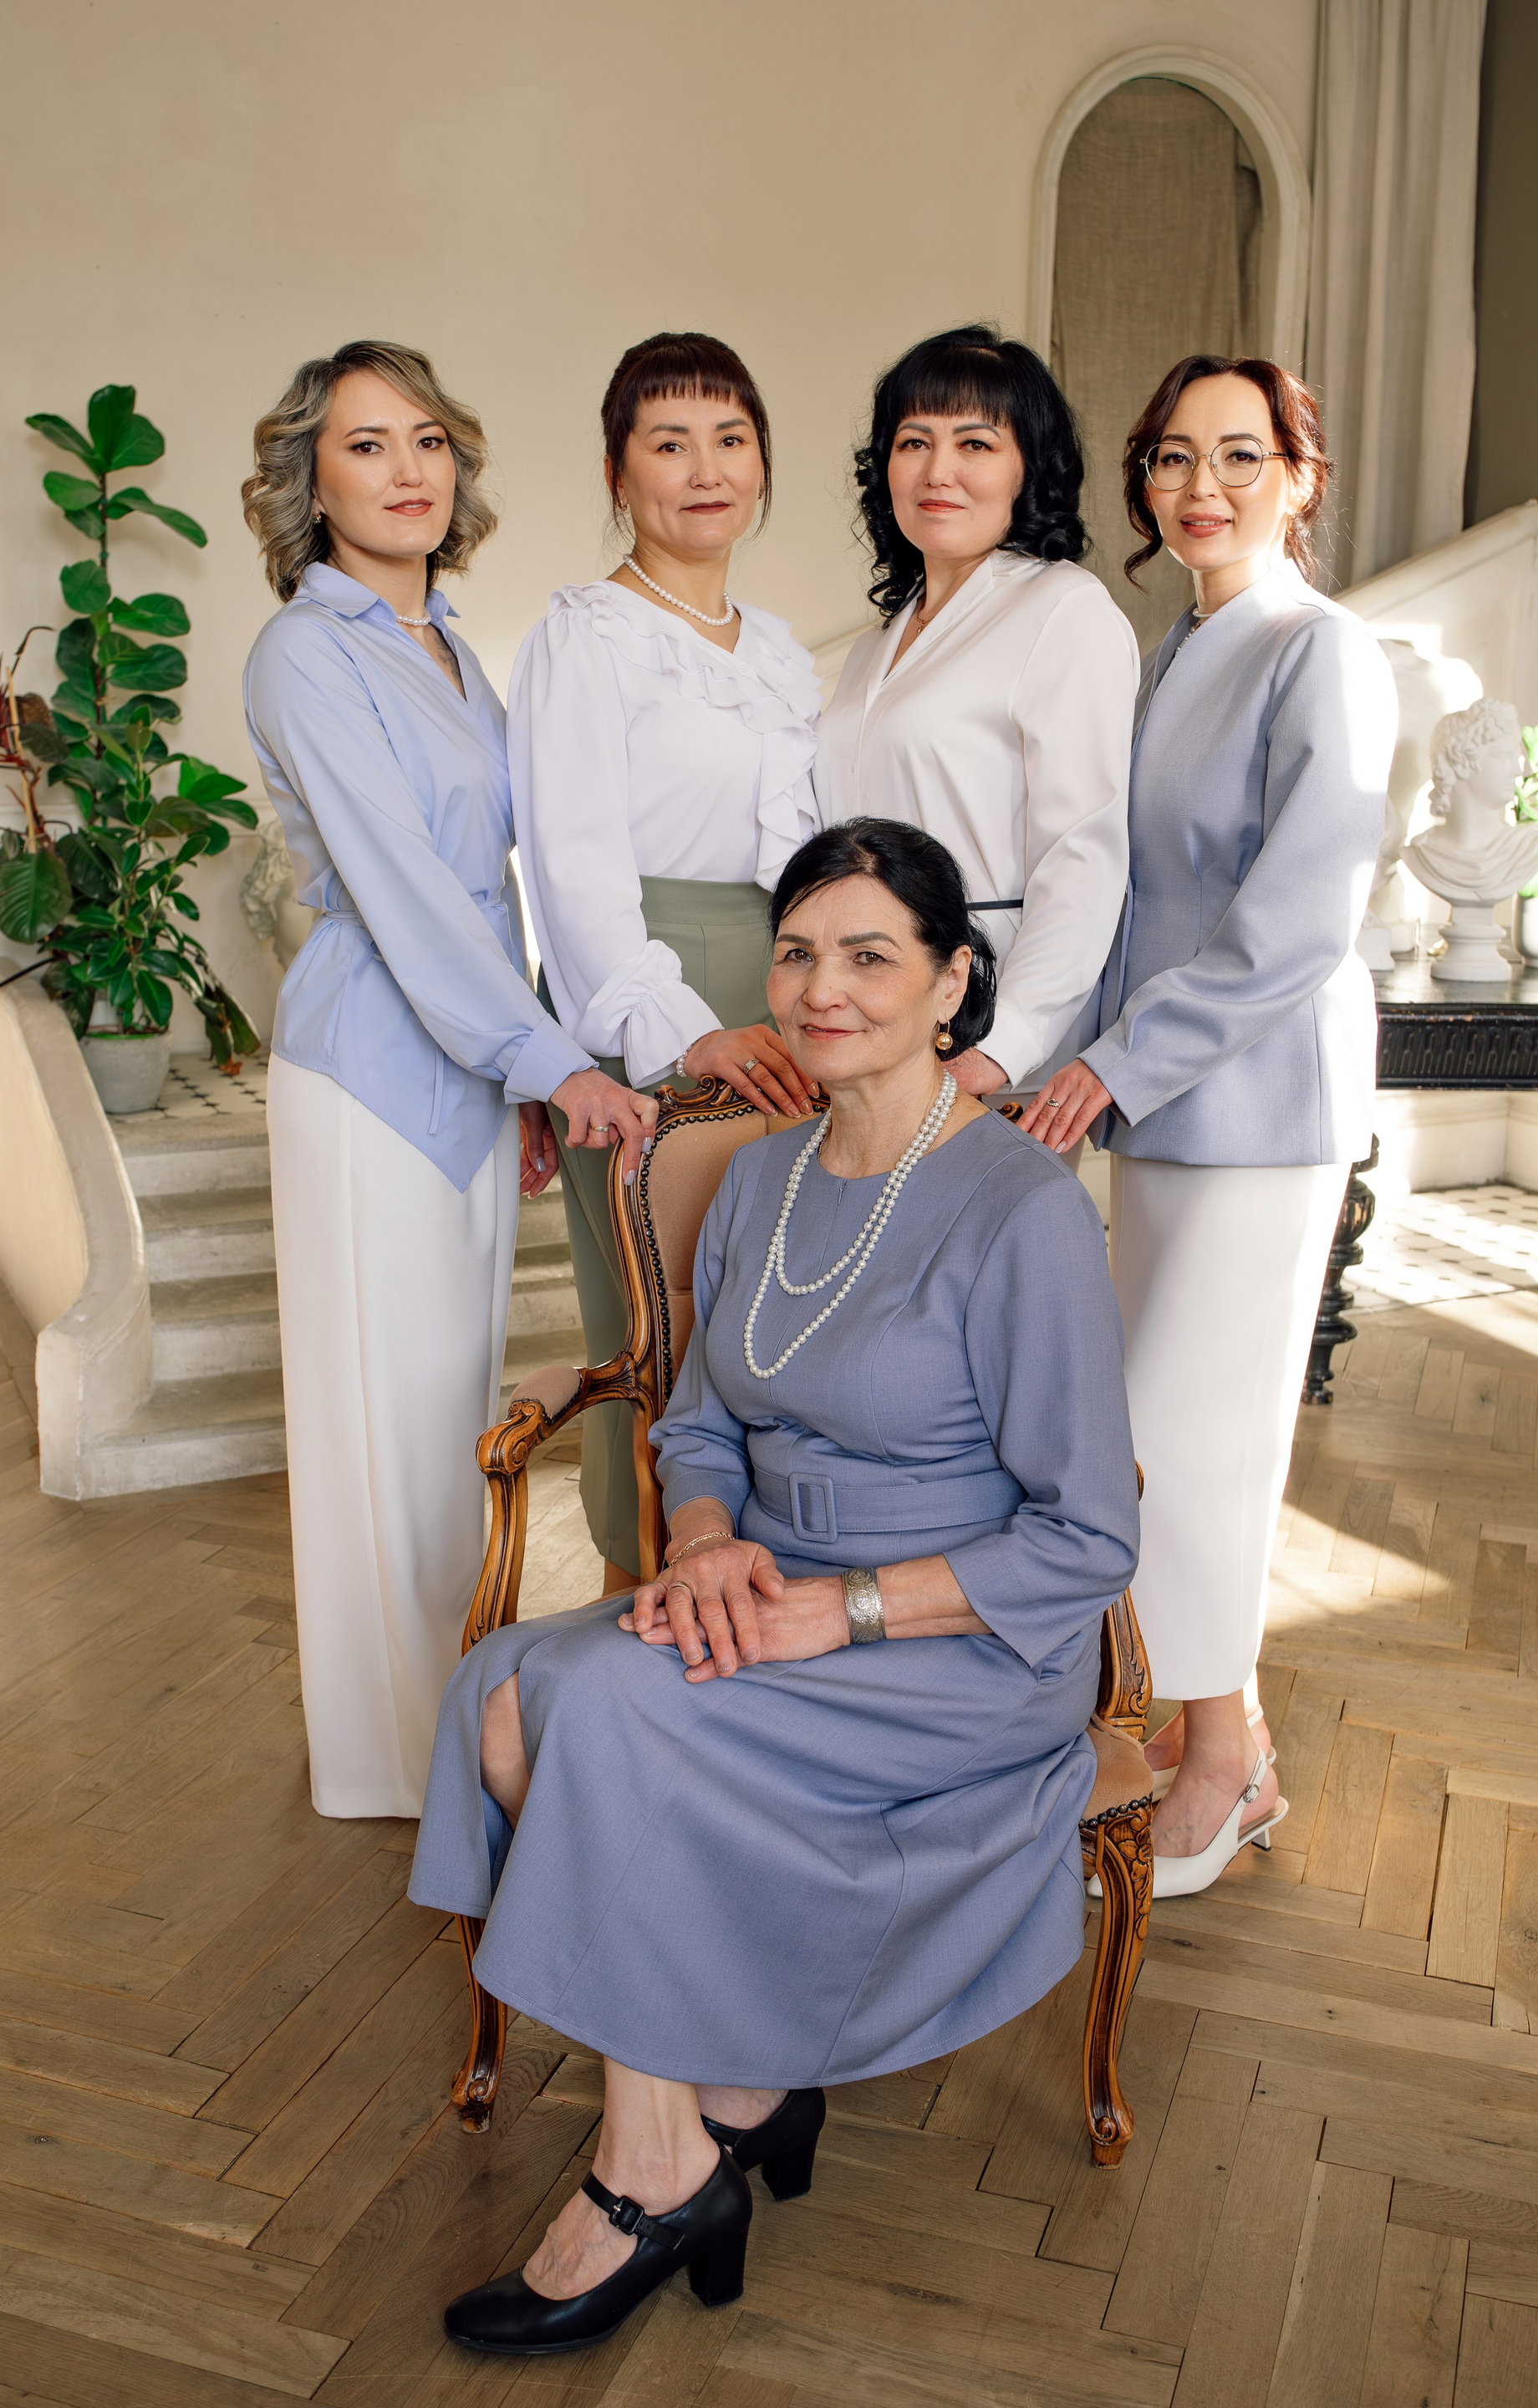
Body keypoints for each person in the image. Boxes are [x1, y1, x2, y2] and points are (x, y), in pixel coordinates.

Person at [410, 818, 1138, 2355]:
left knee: (603, 1710)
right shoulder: (757, 1180)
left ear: (952, 982)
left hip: (955, 1639)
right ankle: (728, 2086)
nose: (823, 989)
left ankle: (651, 2172)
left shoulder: (1022, 1208)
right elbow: (696, 1423)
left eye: (871, 955)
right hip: (766, 1582)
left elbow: (1087, 1539)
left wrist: (841, 1609)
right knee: (499, 1703)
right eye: (799, 953)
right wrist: (703, 1542)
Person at [241, 340, 656, 1821]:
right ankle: (398, 1764)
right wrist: (553, 1063)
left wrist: (523, 1077)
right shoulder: (306, 651)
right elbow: (409, 897)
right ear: (310, 481)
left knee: (443, 1437)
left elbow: (499, 894)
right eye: (366, 445)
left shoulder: (453, 651)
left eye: (426, 439)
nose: (408, 469)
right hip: (369, 1069)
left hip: (466, 1076)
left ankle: (448, 1735)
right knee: (383, 1436)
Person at [1019, 355, 1397, 1896]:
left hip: (1259, 1101)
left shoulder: (1324, 652)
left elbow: (1297, 920)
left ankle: (1222, 1765)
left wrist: (1113, 1067)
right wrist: (1060, 1063)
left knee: (1199, 1440)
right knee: (1153, 1440)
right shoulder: (1171, 653)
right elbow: (1124, 896)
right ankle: (1213, 1735)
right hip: (1163, 1109)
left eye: (1242, 455)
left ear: (1300, 478)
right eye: (1174, 457)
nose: (1203, 486)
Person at [509, 330, 821, 1593]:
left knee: (773, 1326)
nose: (706, 470)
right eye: (670, 442)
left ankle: (762, 1612)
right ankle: (630, 1606)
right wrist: (685, 1029)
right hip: (648, 991)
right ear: (617, 473)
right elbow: (572, 866)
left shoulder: (783, 652)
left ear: (763, 465)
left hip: (789, 996)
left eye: (731, 439)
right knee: (656, 1331)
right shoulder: (585, 634)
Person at [815, 327, 1136, 1122]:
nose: (939, 471)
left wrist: (1006, 1044)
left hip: (982, 1027)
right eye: (913, 442)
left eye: (975, 444)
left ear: (1029, 466)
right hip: (862, 1018)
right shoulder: (876, 646)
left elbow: (1084, 851)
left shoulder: (1064, 610)